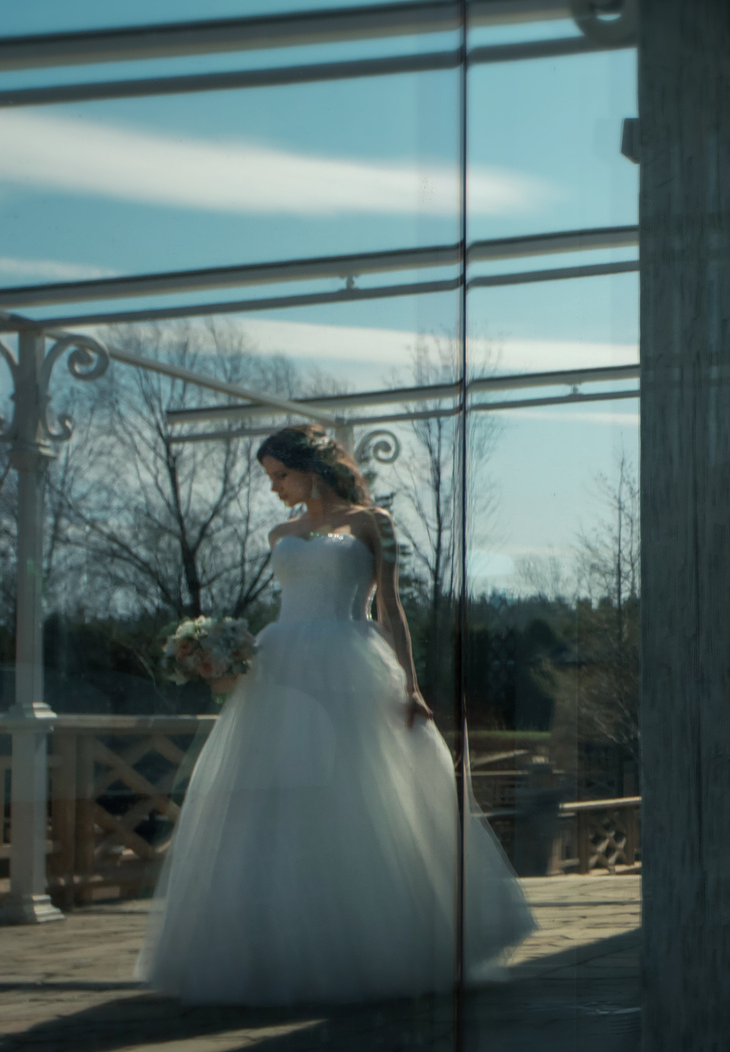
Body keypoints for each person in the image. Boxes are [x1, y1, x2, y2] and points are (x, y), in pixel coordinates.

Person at [137, 425, 533, 1005]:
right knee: (273, 799)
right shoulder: (281, 532)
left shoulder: (373, 522)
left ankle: (371, 938)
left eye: (280, 475)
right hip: (279, 667)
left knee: (356, 794)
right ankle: (268, 946)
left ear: (310, 468)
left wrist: (413, 687)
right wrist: (226, 656)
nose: (274, 489)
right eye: (269, 478)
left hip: (352, 664)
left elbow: (392, 608)